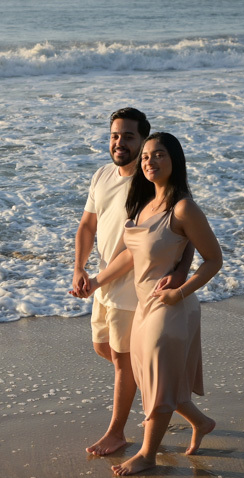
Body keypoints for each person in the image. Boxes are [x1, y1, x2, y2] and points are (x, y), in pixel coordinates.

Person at [78, 132, 222, 476]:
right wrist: (96, 281)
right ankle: (202, 422)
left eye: (159, 155)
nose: (150, 161)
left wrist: (180, 290)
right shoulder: (144, 205)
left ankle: (147, 455)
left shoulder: (183, 207)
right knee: (153, 378)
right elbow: (133, 253)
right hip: (145, 305)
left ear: (174, 160)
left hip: (172, 307)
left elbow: (214, 259)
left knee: (157, 384)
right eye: (145, 157)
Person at [71, 108, 193, 456]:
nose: (119, 142)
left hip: (132, 288)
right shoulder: (102, 175)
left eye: (128, 136)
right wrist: (79, 268)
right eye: (114, 135)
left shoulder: (147, 182)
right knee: (105, 350)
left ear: (143, 140)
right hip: (103, 283)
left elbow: (138, 249)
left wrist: (181, 272)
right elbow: (88, 225)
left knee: (124, 362)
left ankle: (117, 432)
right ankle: (171, 399)